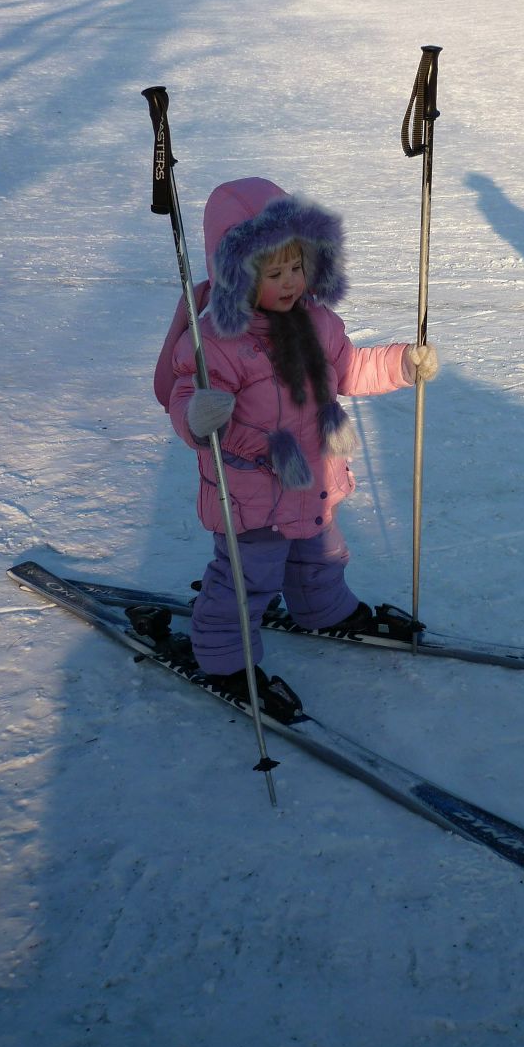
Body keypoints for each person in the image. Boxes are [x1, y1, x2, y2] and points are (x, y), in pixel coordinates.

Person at [153, 178, 439, 714]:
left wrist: (402, 364)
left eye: (298, 267)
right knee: (247, 581)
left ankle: (322, 610)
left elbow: (349, 370)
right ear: (238, 275)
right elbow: (186, 397)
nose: (290, 283)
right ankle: (223, 657)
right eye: (274, 272)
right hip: (252, 492)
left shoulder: (319, 323)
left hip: (312, 481)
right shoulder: (218, 339)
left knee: (322, 557)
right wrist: (200, 417)